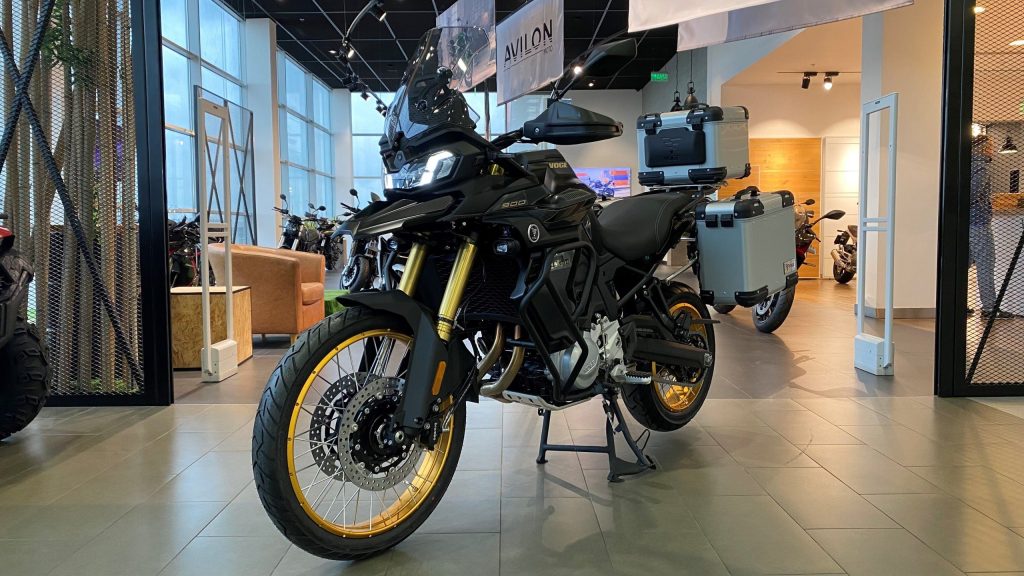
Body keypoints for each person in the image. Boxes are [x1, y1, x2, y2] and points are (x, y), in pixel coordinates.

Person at [969, 135, 1012, 319]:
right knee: (986, 264)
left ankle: (958, 303)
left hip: (966, 222)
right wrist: (984, 205)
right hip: (978, 223)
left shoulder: (965, 164)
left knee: (964, 263)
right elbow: (972, 193)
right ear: (984, 148)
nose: (992, 150)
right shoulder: (981, 166)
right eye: (991, 147)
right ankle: (989, 308)